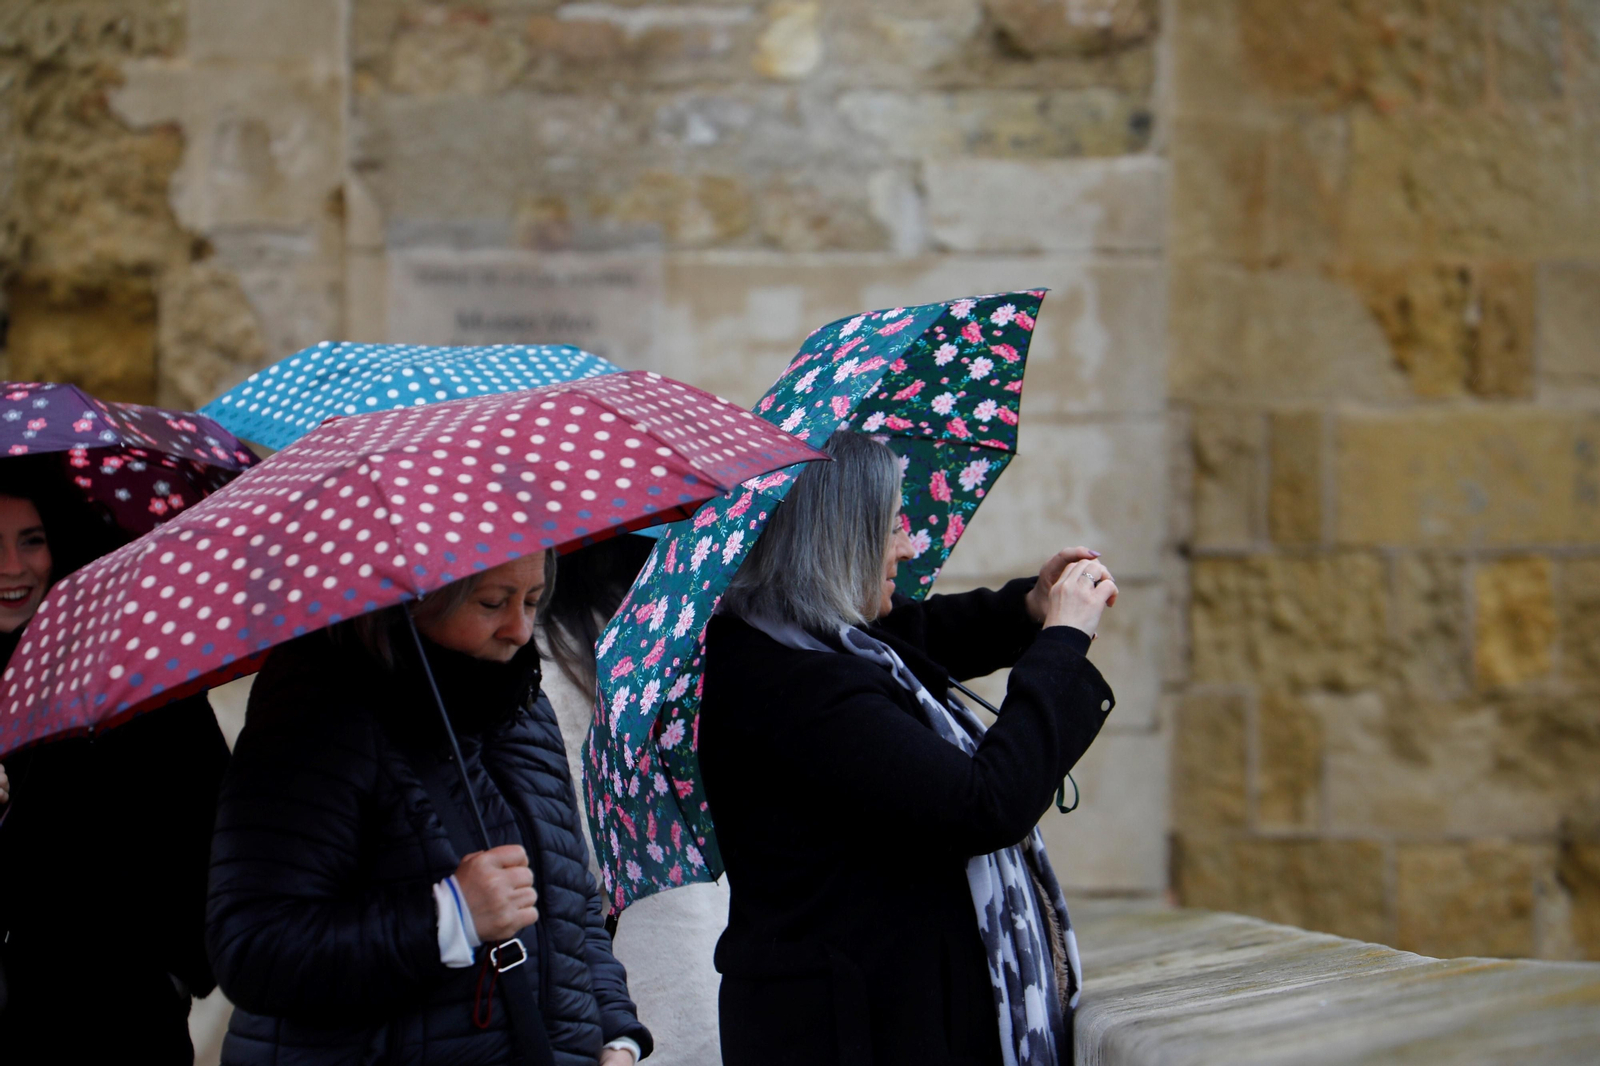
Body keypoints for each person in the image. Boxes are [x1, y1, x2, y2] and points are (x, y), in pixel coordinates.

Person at [701, 430, 1118, 1066]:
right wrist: (1060, 644)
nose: (909, 544)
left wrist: (1029, 608)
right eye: (892, 524)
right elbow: (984, 803)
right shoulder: (797, 690)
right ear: (838, 538)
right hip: (845, 1035)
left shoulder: (793, 640)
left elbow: (914, 638)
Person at [206, 549, 653, 1066]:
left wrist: (615, 1035)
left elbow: (568, 902)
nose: (519, 629)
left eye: (532, 601)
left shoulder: (523, 702)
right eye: (492, 603)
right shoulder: (316, 712)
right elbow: (253, 949)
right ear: (412, 602)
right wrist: (449, 918)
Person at [0, 457, 231, 1063]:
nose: (11, 568)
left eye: (32, 540)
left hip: (124, 1016)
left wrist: (172, 968)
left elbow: (210, 817)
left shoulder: (134, 677)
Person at [538, 534, 729, 1066]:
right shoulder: (686, 641)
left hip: (626, 980)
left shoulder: (542, 668)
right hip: (718, 937)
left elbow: (573, 862)